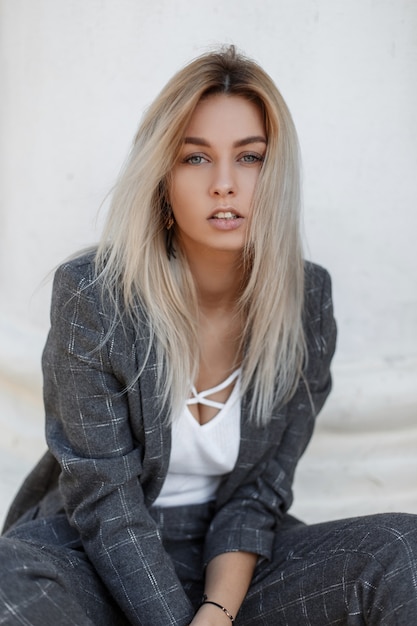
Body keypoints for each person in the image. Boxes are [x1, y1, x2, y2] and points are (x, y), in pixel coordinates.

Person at [0, 45, 416, 626]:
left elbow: (258, 497)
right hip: (95, 554)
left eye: (250, 158)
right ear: (162, 180)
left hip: (231, 567)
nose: (224, 183)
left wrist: (216, 613)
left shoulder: (306, 302)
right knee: (9, 588)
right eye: (196, 159)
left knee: (404, 554)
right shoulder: (93, 295)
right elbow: (105, 502)